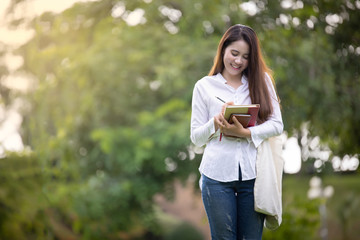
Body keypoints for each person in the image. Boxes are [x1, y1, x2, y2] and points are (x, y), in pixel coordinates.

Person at [190, 24, 283, 240]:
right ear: (223, 50)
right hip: (215, 177)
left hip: (253, 175)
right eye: (234, 53)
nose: (238, 61)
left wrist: (246, 134)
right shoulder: (204, 86)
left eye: (246, 56)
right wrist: (215, 122)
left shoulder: (261, 82)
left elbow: (277, 124)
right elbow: (195, 137)